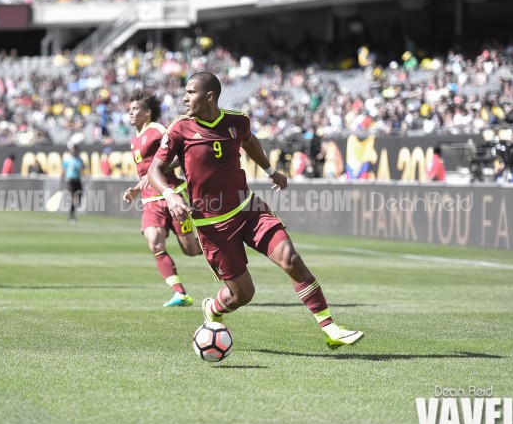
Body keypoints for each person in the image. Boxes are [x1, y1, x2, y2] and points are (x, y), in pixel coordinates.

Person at [148, 72, 363, 347]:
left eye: (190, 92)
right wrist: (169, 194)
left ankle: (331, 328)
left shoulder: (237, 121)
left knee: (291, 259)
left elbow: (249, 141)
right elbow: (156, 169)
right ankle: (213, 309)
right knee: (243, 294)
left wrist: (271, 170)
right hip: (212, 225)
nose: (184, 97)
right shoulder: (180, 128)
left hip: (248, 209)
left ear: (209, 96)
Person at [122, 89, 202, 307]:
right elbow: (147, 174)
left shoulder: (157, 130)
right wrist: (136, 190)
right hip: (150, 201)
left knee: (190, 250)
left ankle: (212, 244)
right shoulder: (134, 140)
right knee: (155, 244)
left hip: (172, 195)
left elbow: (178, 154)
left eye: (135, 109)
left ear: (147, 112)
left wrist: (160, 169)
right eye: (129, 109)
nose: (130, 113)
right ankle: (180, 293)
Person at [62, 144, 84, 224]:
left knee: (79, 196)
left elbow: (81, 170)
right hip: (70, 180)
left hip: (77, 180)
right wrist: (65, 177)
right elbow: (64, 169)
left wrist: (82, 179)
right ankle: (71, 216)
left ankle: (72, 212)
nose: (73, 151)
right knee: (72, 198)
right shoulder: (67, 160)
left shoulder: (79, 160)